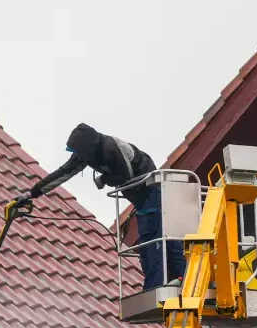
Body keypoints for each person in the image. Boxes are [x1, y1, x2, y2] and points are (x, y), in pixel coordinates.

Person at [24, 123, 186, 291]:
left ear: (88, 148)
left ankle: (155, 288)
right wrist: (31, 194)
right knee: (166, 237)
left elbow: (125, 175)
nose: (78, 157)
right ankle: (184, 278)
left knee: (152, 241)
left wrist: (103, 180)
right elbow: (63, 173)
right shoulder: (86, 153)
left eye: (79, 153)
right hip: (140, 198)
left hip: (151, 190)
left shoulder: (111, 148)